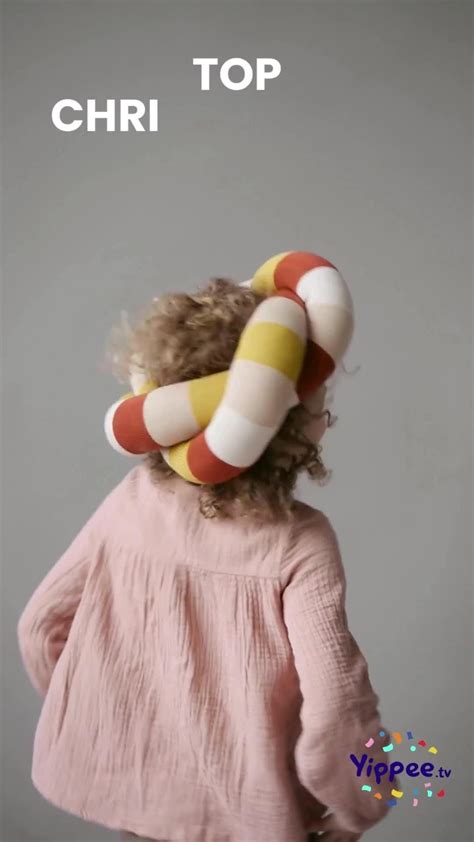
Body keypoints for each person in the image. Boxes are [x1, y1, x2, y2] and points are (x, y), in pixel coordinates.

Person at [18, 267, 394, 842]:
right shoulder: (301, 542)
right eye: (317, 400)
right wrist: (362, 803)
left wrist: (106, 723)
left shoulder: (131, 504)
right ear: (289, 422)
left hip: (139, 812)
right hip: (252, 816)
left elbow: (40, 627)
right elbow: (337, 705)